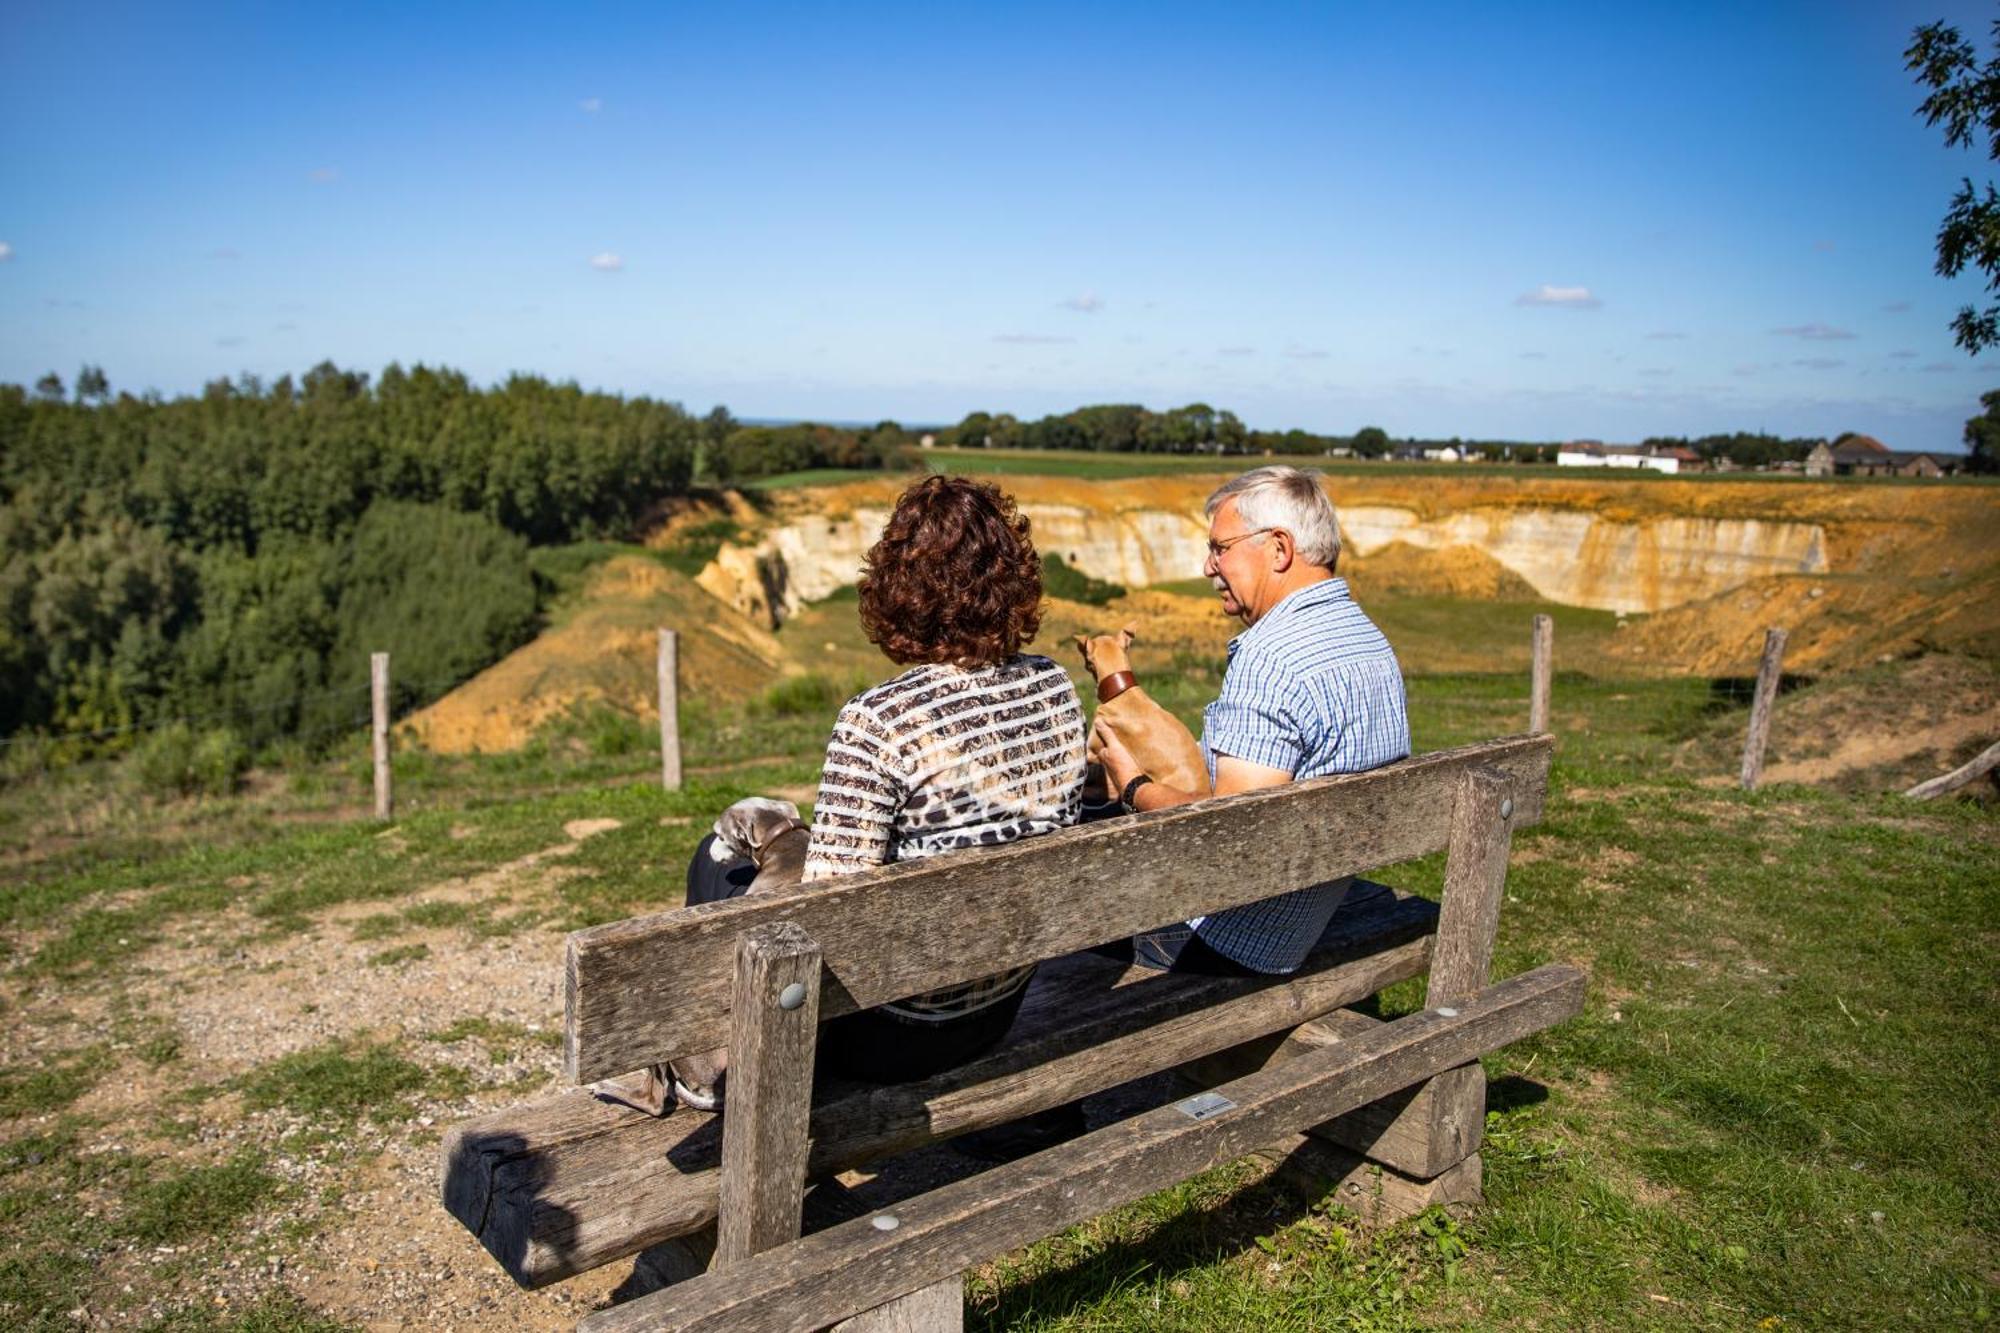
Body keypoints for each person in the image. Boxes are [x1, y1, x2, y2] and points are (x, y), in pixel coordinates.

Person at [685, 474, 1089, 1086]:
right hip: (998, 1006)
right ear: (1014, 579)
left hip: (891, 1033)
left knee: (716, 866)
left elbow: (826, 915)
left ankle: (713, 1074)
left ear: (899, 587)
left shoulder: (881, 720)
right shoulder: (1054, 687)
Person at [1091, 465, 1410, 975]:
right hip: (1307, 907)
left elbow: (1232, 835)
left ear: (1279, 549)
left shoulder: (1271, 657)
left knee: (1059, 902)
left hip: (1238, 940)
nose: (1206, 566)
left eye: (1221, 548)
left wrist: (1133, 787)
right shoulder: (1367, 638)